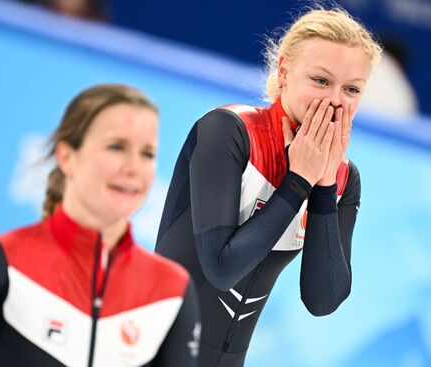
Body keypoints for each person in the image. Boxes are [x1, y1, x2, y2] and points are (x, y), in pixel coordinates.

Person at [155, 6, 382, 367]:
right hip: (152, 349)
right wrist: (298, 182)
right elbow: (221, 268)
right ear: (284, 70)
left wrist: (322, 187)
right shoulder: (228, 131)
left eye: (351, 89)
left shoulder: (343, 180)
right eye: (321, 81)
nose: (335, 101)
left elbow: (322, 301)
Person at [0, 84, 200, 367]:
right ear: (66, 157)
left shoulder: (171, 290)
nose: (133, 167)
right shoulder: (0, 261)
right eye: (116, 147)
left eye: (147, 153)